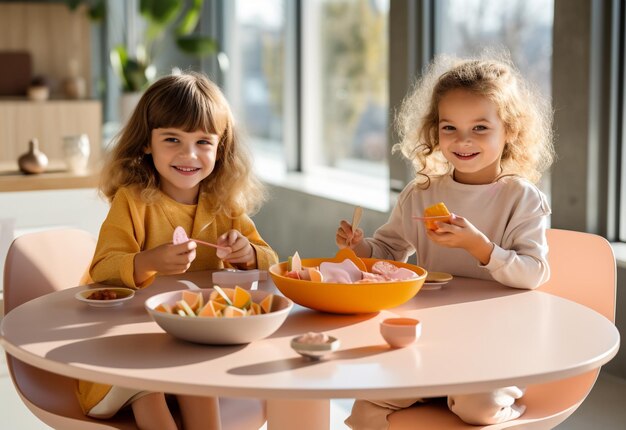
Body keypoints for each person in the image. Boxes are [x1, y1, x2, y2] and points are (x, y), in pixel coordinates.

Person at [336, 53, 555, 429]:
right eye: (449, 127)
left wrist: (480, 247)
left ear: (510, 131)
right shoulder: (420, 194)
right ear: (434, 131)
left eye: (481, 128)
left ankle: (498, 407)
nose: (463, 140)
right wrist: (360, 248)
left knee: (476, 408)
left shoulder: (522, 198)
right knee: (367, 400)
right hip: (428, 341)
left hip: (496, 345)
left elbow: (534, 273)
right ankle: (436, 390)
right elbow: (389, 252)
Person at [76, 72, 278, 430]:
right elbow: (103, 269)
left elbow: (270, 262)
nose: (189, 154)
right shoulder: (133, 202)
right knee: (149, 391)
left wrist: (247, 253)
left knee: (198, 385)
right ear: (146, 144)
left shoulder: (224, 206)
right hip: (130, 352)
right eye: (173, 139)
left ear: (221, 148)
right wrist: (147, 262)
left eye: (203, 142)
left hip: (194, 347)